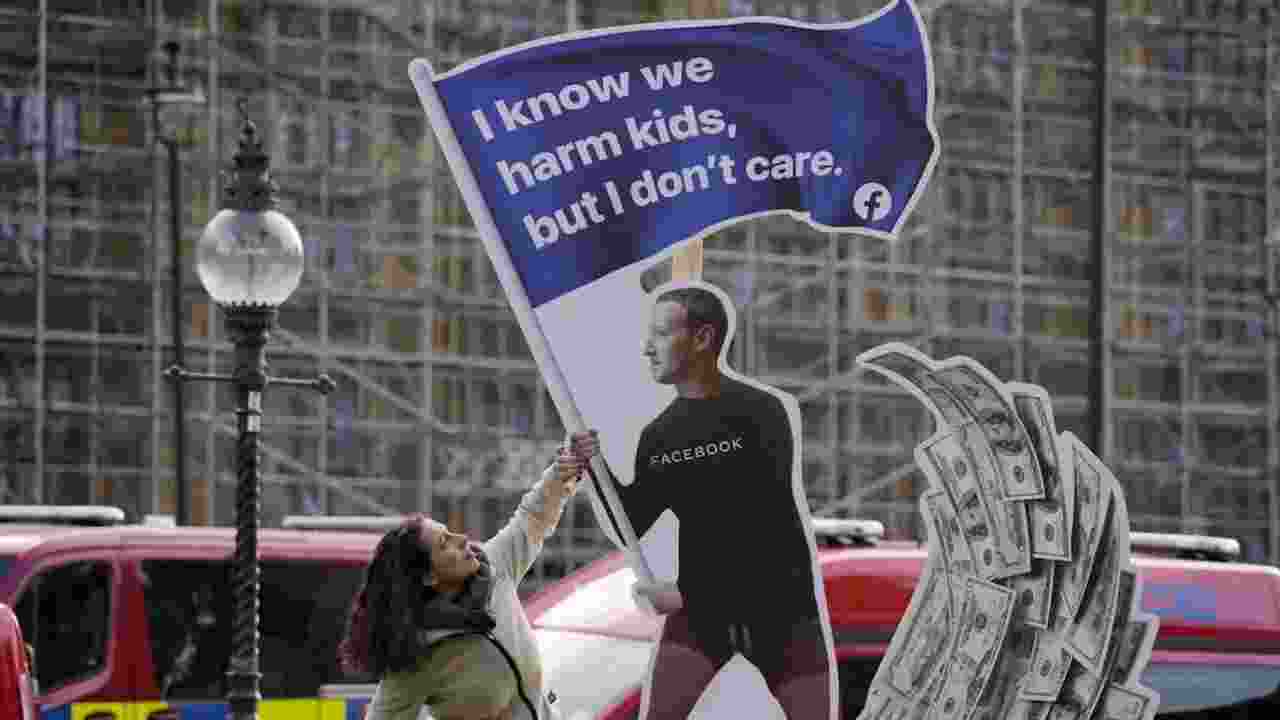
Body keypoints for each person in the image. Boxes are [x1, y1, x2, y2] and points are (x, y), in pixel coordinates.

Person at [610, 285, 835, 720]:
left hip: (783, 615)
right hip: (702, 619)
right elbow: (630, 525)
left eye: (661, 334)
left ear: (702, 338)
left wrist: (683, 594)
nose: (647, 348)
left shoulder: (762, 412)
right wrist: (591, 469)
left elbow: (761, 527)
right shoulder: (659, 436)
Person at [338, 431, 599, 720]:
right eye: (445, 543)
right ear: (428, 577)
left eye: (451, 532)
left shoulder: (495, 566)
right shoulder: (417, 656)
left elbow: (534, 516)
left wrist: (566, 468)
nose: (461, 539)